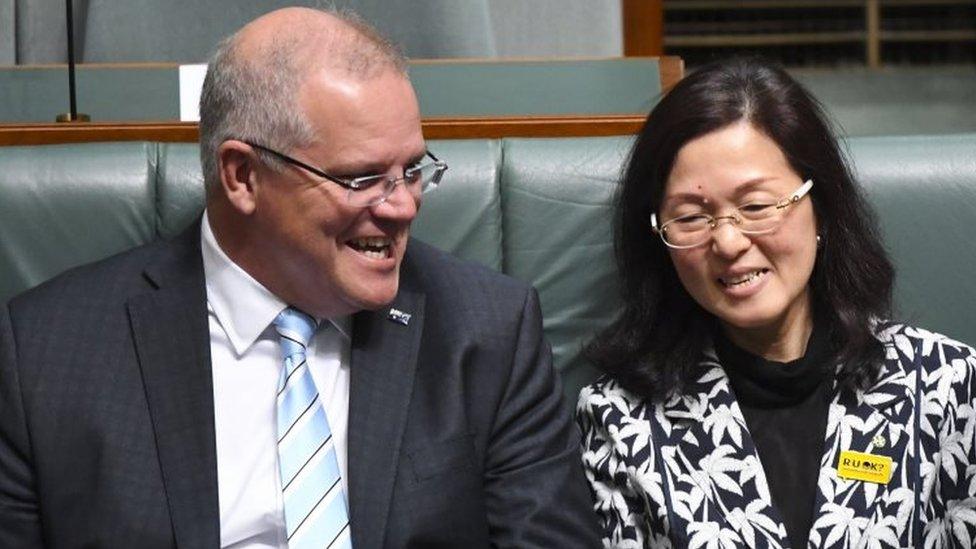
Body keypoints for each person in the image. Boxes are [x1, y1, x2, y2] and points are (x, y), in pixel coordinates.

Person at [0, 8, 600, 548]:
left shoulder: (487, 332)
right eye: (362, 178)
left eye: (412, 169)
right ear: (242, 176)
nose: (403, 206)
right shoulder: (44, 356)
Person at [577, 57, 976, 549]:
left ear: (821, 207)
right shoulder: (619, 418)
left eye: (757, 207)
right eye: (692, 217)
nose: (727, 242)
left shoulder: (946, 385)